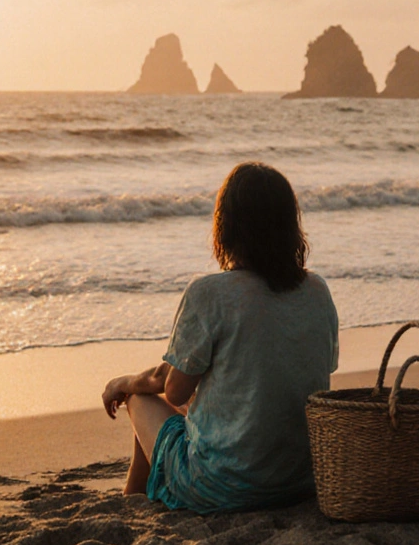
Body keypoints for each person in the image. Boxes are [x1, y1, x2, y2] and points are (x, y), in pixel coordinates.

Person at [101, 161, 338, 513]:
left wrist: (123, 383)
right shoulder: (317, 290)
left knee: (139, 399)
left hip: (223, 487)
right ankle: (135, 498)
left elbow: (174, 389)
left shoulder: (210, 293)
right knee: (180, 405)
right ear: (290, 226)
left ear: (226, 227)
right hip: (300, 482)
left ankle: (132, 501)